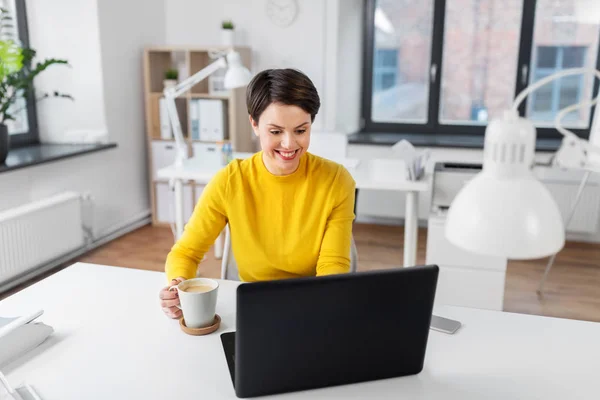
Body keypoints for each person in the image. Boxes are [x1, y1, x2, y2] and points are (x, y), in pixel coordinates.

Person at [159, 68, 356, 319]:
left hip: (311, 301)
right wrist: (178, 285)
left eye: (300, 130)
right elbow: (187, 252)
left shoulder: (336, 180)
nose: (289, 144)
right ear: (254, 123)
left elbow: (333, 264)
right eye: (275, 132)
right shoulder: (230, 181)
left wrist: (323, 305)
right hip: (253, 303)